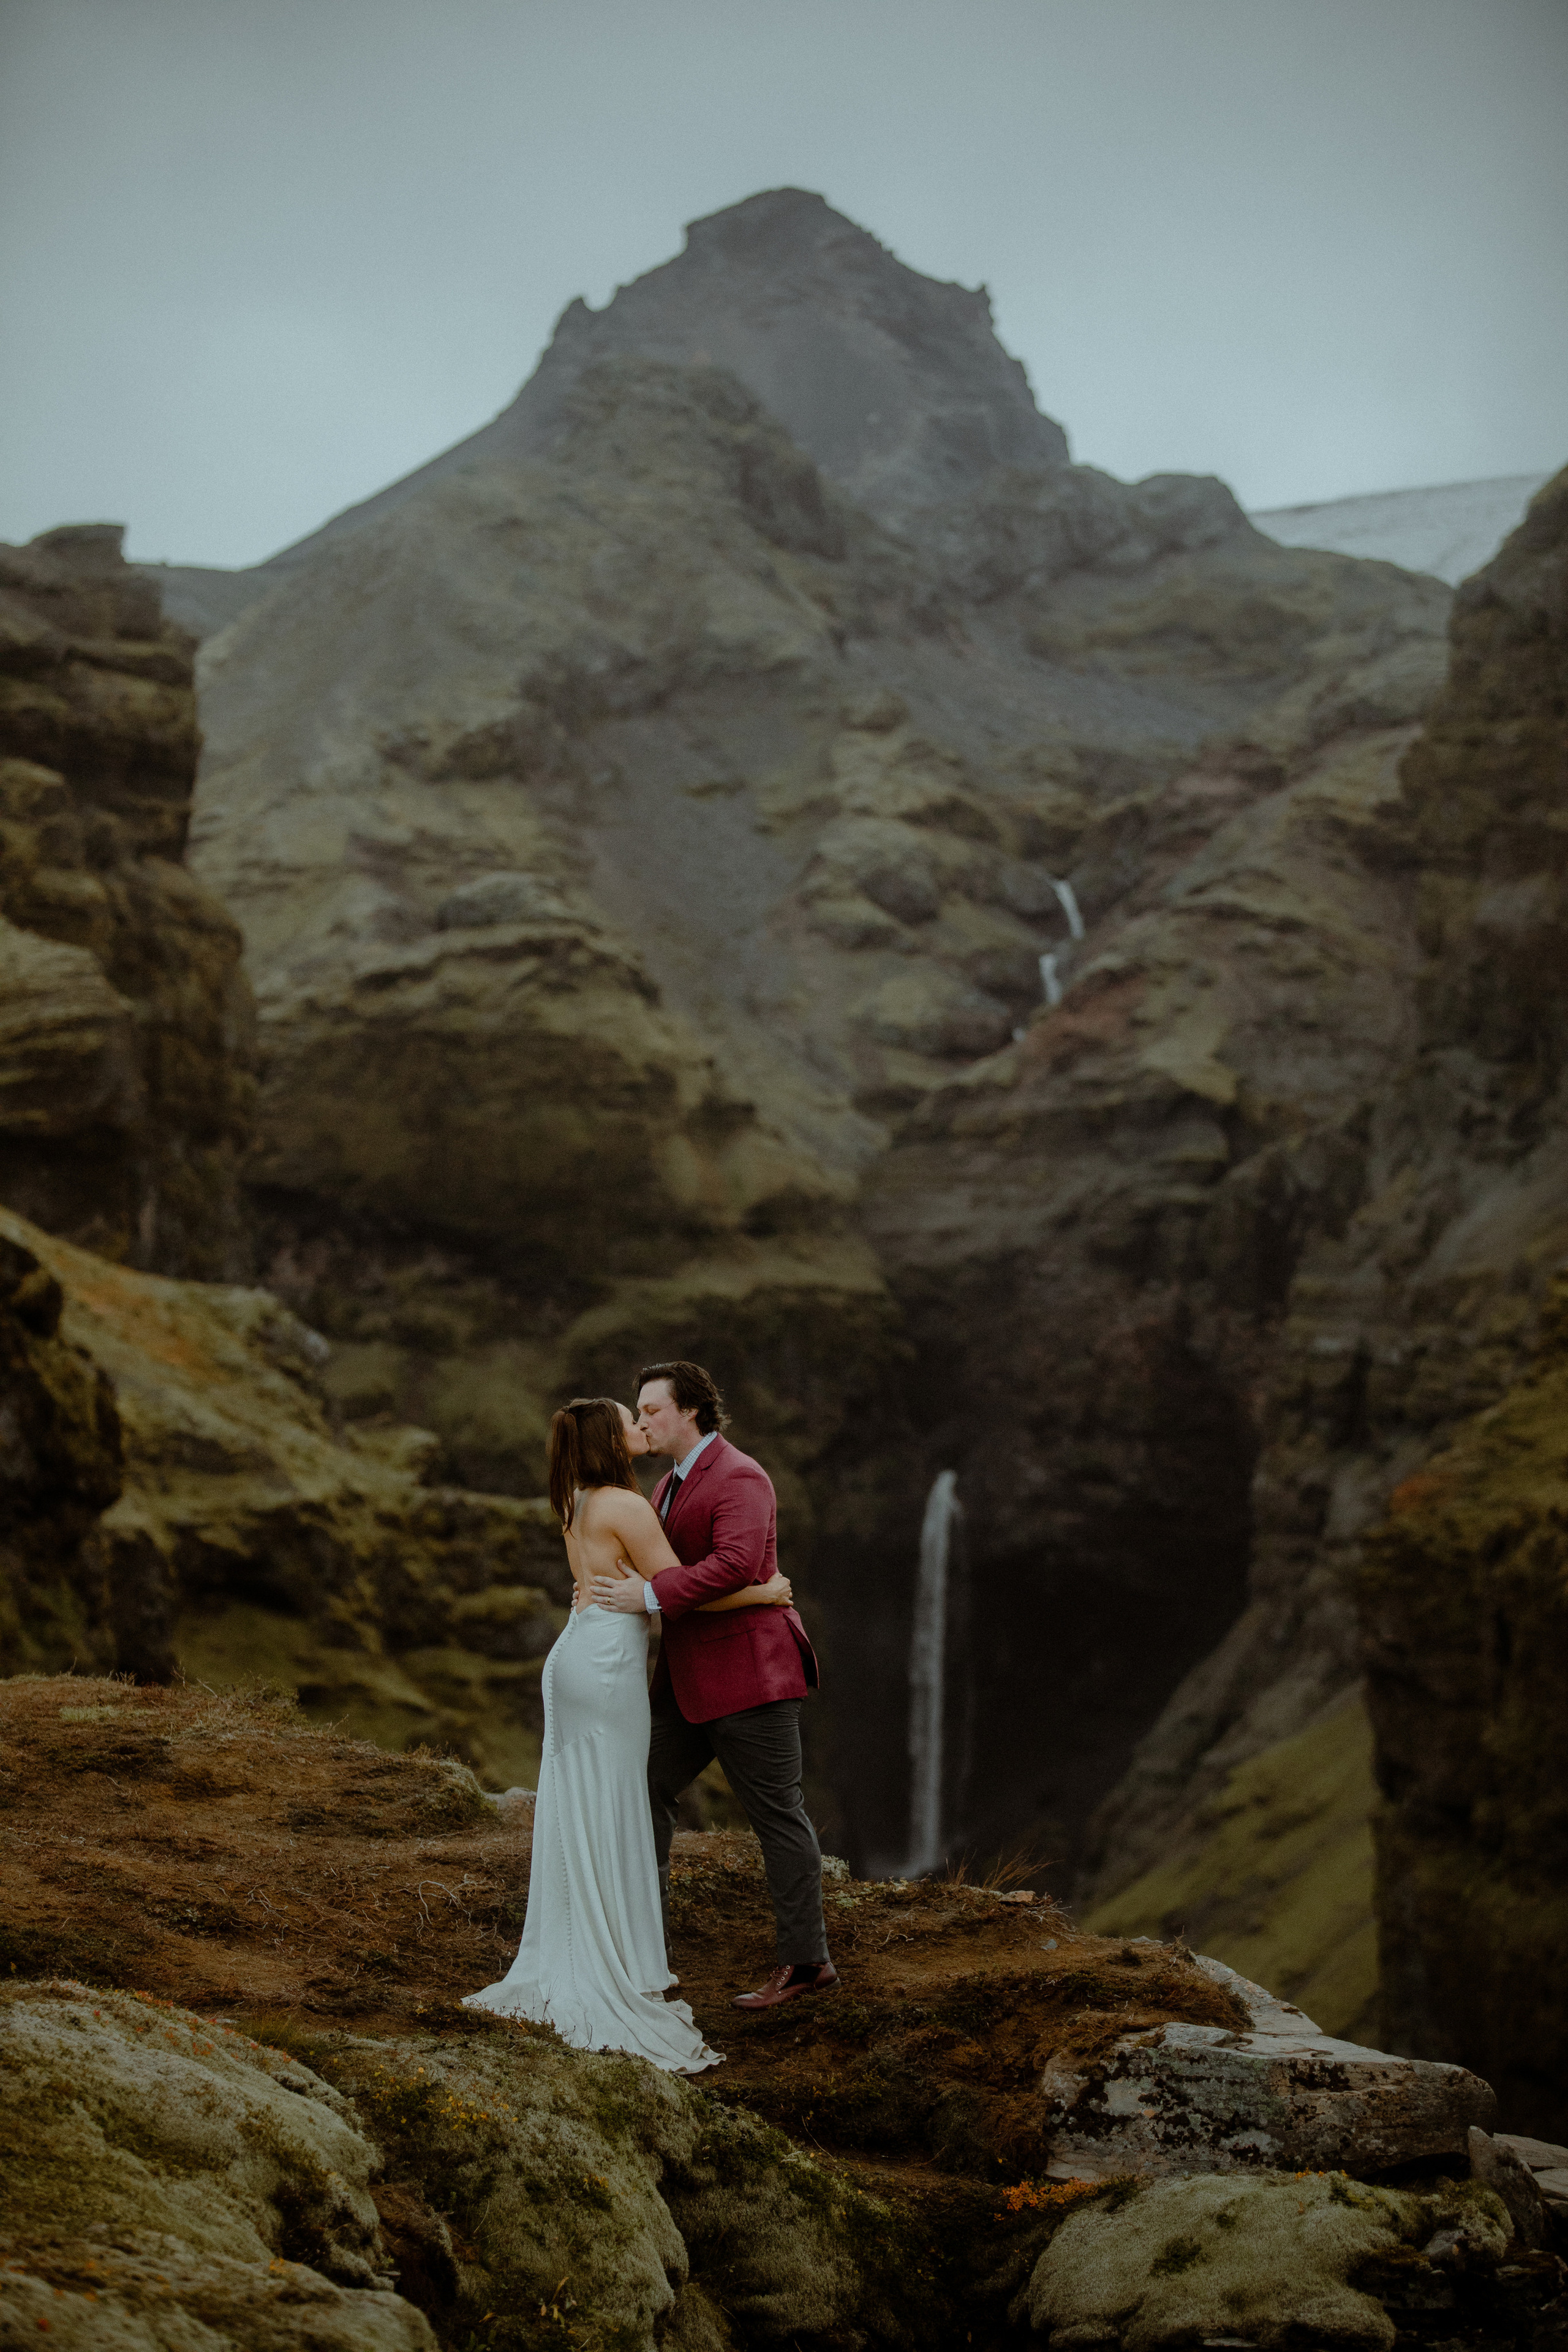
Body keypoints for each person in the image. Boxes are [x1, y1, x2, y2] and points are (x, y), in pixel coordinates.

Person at [464, 1395, 793, 2071]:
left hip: (576, 1655)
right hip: (607, 1671)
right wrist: (764, 1593)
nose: (640, 1427)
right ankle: (612, 1960)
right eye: (628, 1421)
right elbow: (679, 1590)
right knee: (612, 1802)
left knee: (584, 1801)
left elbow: (614, 1584)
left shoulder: (577, 1499)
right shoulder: (627, 1505)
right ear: (610, 1441)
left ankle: (591, 1941)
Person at [589, 1360, 837, 2011]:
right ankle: (644, 1943)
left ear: (690, 1412)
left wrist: (646, 1596)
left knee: (777, 1817)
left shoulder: (740, 1476)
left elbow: (733, 1564)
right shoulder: (668, 1484)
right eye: (638, 1412)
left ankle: (807, 1962)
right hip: (685, 1680)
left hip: (752, 1676)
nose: (642, 1421)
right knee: (642, 1787)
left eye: (652, 1410)